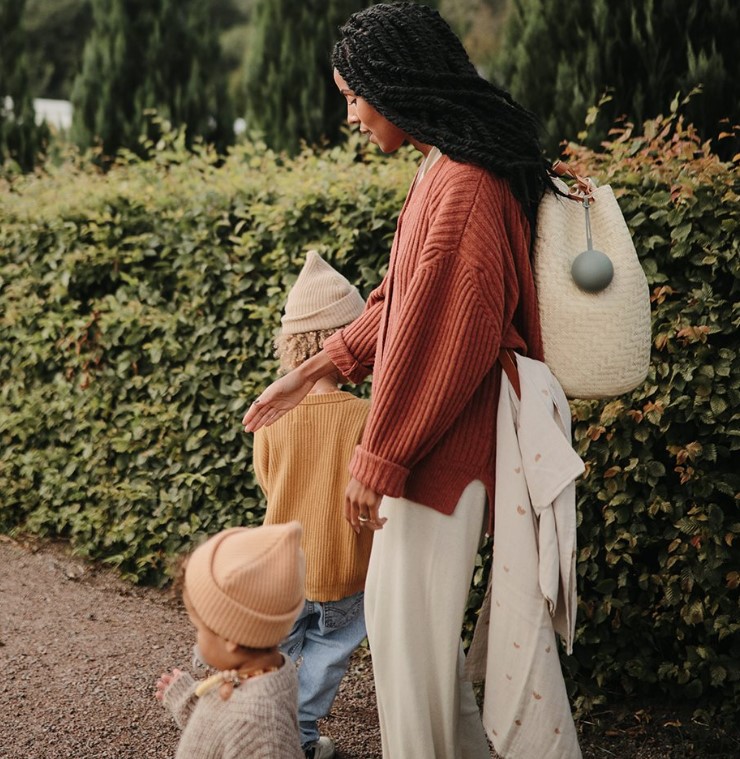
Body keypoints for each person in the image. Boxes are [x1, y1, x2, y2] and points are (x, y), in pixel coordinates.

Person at [242, 3, 554, 756]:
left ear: (394, 83)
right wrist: (312, 370)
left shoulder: (465, 185)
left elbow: (445, 343)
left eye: (354, 96)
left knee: (411, 662)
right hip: (437, 453)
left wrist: (379, 457)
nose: (350, 115)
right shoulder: (443, 169)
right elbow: (399, 301)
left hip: (444, 457)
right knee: (420, 661)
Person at [252, 250, 372, 759]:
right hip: (344, 566)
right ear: (351, 339)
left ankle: (259, 734)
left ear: (290, 344)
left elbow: (268, 481)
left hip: (281, 567)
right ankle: (300, 738)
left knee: (271, 656)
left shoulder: (272, 412)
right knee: (329, 654)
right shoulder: (366, 415)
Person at [155, 523, 305, 759]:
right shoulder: (265, 672)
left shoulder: (264, 734)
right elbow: (226, 729)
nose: (197, 638)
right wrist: (188, 700)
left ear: (231, 638)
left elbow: (241, 728)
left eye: (200, 628)